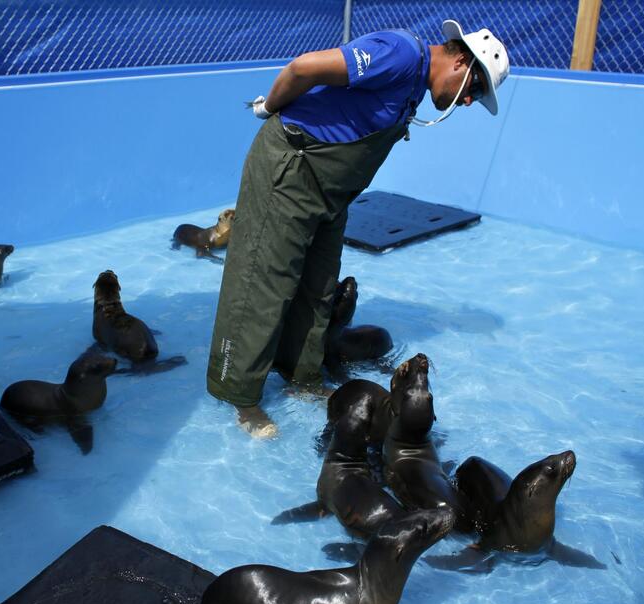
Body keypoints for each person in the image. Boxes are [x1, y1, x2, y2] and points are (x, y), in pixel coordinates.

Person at [206, 20, 510, 436]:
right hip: (290, 167)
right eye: (475, 89)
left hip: (329, 192)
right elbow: (303, 68)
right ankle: (238, 394)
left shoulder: (413, 89)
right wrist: (270, 108)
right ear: (461, 59)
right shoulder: (401, 54)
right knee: (263, 280)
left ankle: (301, 377)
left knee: (319, 286)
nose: (470, 101)